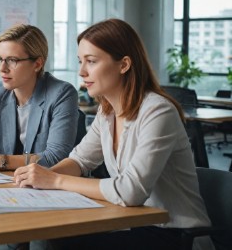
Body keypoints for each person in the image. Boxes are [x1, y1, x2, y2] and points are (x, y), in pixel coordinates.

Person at [14, 18, 211, 249]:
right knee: (52, 236)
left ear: (124, 64)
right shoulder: (107, 112)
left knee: (60, 244)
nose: (81, 71)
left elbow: (130, 192)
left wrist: (55, 180)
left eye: (91, 61)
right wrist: (38, 179)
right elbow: (80, 160)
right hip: (133, 222)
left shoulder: (158, 111)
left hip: (176, 234)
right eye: (80, 61)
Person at [0, 24, 79, 172]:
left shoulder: (61, 94)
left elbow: (56, 157)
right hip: (11, 183)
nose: (2, 68)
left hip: (54, 185)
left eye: (12, 60)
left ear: (37, 64)